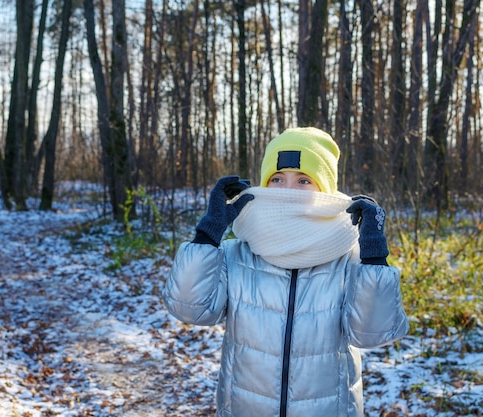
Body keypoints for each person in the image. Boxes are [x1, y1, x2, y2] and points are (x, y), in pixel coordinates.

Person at [163, 127, 409, 417]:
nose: (288, 190)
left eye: (304, 180)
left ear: (325, 190)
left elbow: (372, 334)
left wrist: (374, 257)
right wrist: (208, 235)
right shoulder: (238, 253)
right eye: (277, 179)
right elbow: (190, 310)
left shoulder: (348, 258)